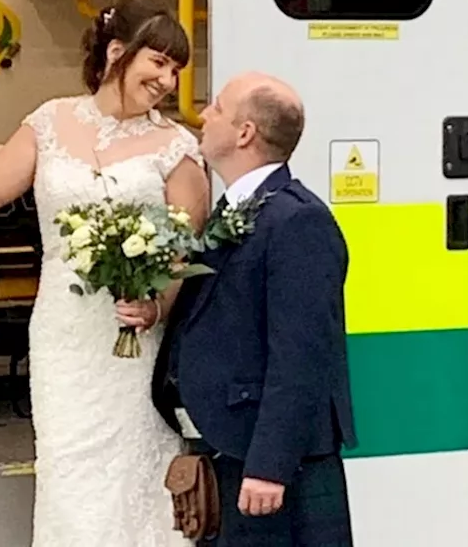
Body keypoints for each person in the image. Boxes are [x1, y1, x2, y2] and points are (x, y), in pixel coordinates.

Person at [0, 0, 211, 545]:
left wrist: (156, 305)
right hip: (63, 334)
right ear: (118, 53)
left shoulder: (175, 145)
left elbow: (184, 248)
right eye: (160, 62)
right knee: (67, 475)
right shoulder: (48, 120)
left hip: (132, 341)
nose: (169, 80)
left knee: (135, 474)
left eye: (176, 69)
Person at [151, 71, 356, 546]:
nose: (203, 113)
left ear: (245, 133)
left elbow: (301, 356)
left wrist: (270, 467)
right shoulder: (235, 211)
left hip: (267, 467)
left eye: (217, 107)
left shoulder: (297, 219)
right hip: (230, 449)